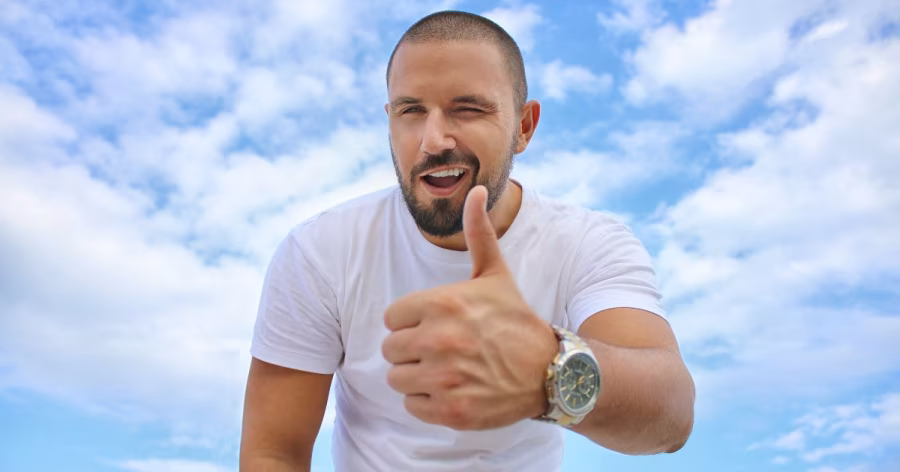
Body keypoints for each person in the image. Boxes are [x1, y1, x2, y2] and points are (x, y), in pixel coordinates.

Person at [240, 10, 695, 472]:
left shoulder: (587, 243)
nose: (434, 140)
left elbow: (672, 414)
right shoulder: (320, 251)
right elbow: (273, 453)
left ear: (524, 127)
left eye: (468, 109)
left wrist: (549, 368)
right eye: (412, 110)